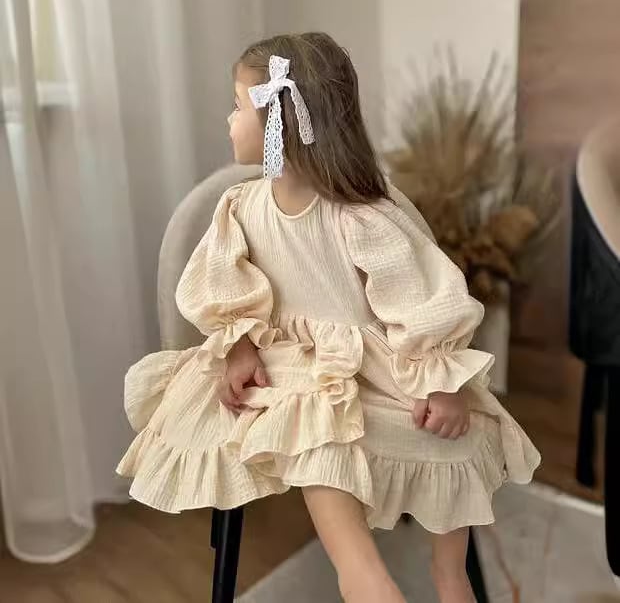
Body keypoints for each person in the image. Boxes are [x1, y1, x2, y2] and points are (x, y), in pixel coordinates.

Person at [117, 32, 541, 603]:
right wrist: (239, 346)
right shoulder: (240, 208)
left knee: (455, 439)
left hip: (370, 364)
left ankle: (450, 575)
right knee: (317, 435)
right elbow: (222, 285)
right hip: (288, 366)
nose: (228, 120)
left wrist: (439, 382)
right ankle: (365, 578)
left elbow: (419, 296)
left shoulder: (360, 216)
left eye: (238, 107)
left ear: (279, 122)